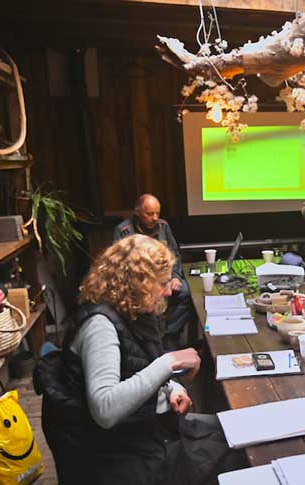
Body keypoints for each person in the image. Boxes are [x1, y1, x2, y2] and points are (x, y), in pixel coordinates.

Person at [36, 235, 239, 484]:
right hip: (117, 452)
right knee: (232, 452)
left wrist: (172, 387)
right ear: (137, 282)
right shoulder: (100, 326)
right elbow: (105, 408)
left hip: (143, 429)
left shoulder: (132, 312)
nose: (167, 291)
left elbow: (137, 366)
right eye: (161, 283)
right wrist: (168, 363)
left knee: (231, 433)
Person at [113, 193, 193, 348]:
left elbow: (174, 253)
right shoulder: (123, 231)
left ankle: (169, 335)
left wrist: (175, 276)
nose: (155, 218)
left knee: (187, 292)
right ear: (137, 212)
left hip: (165, 280)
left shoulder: (164, 226)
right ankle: (151, 340)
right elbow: (118, 266)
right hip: (138, 285)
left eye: (157, 213)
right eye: (149, 214)